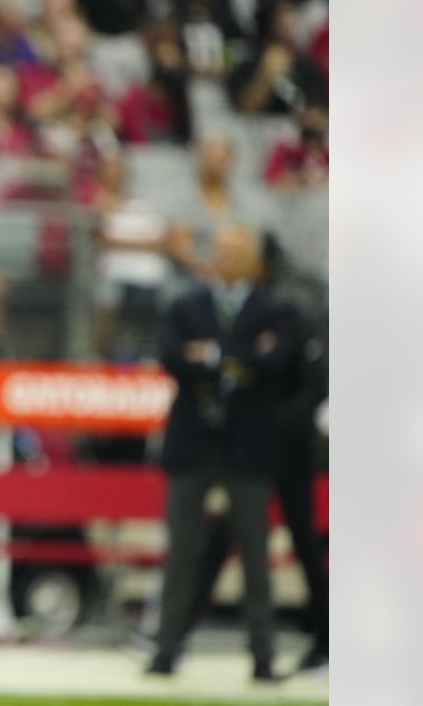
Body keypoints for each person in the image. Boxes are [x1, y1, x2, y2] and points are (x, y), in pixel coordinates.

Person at [148, 225, 289, 682]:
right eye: (222, 249)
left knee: (254, 553)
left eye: (237, 251)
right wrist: (239, 359)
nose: (228, 258)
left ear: (252, 259)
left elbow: (275, 363)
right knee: (181, 551)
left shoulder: (273, 309)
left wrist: (210, 353)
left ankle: (263, 654)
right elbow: (170, 354)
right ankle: (166, 648)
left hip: (246, 445)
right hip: (193, 441)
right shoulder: (187, 304)